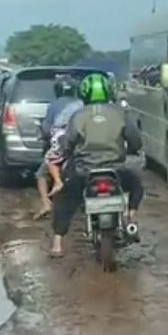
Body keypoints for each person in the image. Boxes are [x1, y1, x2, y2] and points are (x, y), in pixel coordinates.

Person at [49, 72, 143, 257]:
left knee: (64, 199)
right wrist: (131, 149)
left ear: (83, 93)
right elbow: (135, 141)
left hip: (85, 172)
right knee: (136, 185)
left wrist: (66, 153)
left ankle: (57, 243)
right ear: (109, 91)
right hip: (116, 171)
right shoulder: (120, 113)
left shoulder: (78, 116)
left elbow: (67, 142)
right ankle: (131, 217)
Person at [33, 76, 83, 220]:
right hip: (80, 144)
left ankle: (46, 203)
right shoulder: (81, 104)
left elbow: (47, 128)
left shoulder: (53, 105)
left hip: (61, 144)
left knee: (41, 174)